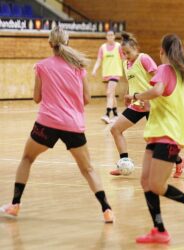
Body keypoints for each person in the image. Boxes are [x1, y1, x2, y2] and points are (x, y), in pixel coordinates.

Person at [0, 27, 115, 223]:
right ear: (67, 42)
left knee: (27, 158)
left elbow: (36, 98)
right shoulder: (79, 67)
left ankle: (15, 205)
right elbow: (86, 98)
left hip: (47, 123)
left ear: (49, 43)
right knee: (88, 169)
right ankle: (107, 210)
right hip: (73, 124)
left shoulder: (42, 66)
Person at [125, 34, 184, 244]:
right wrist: (147, 105)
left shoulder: (165, 70)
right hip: (158, 134)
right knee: (145, 181)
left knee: (156, 185)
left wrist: (137, 96)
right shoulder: (178, 74)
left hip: (168, 136)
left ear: (162, 51)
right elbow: (162, 100)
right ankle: (159, 229)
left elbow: (157, 90)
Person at [109, 32, 184, 178]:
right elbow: (131, 82)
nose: (126, 55)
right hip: (137, 103)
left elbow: (159, 80)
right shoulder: (126, 63)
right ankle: (124, 163)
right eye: (124, 53)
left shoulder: (144, 58)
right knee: (115, 129)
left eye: (128, 52)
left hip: (152, 104)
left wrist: (145, 97)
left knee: (158, 141)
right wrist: (129, 95)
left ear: (136, 48)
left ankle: (179, 160)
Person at [92, 30, 123, 124]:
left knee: (109, 93)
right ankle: (116, 115)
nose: (110, 36)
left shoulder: (118, 46)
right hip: (106, 74)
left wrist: (128, 68)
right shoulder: (103, 47)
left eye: (111, 35)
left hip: (116, 73)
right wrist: (94, 69)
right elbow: (99, 60)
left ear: (114, 36)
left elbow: (124, 58)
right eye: (108, 35)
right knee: (111, 94)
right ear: (106, 37)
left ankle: (107, 114)